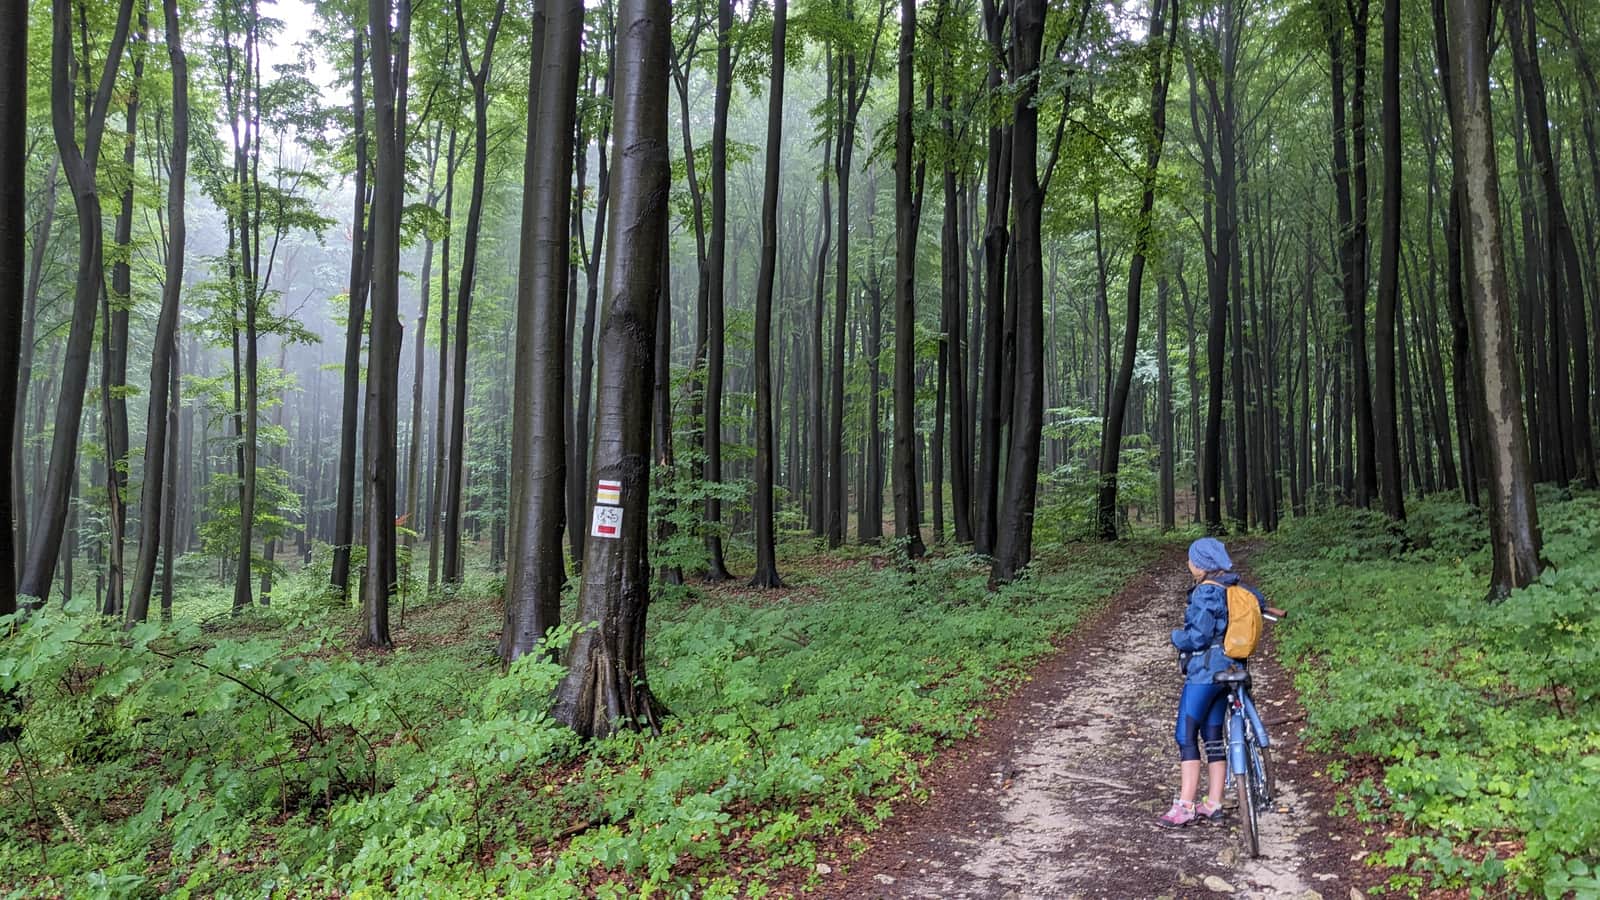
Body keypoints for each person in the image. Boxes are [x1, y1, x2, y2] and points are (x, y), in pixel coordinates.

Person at [1158, 537, 1276, 827]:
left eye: (1191, 560)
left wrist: (1176, 637)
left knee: (1186, 734)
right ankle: (1213, 802)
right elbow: (1262, 606)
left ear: (1200, 565)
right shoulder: (1237, 587)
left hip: (1205, 673)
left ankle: (1185, 805)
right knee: (1213, 735)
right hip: (1232, 670)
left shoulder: (1205, 593)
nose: (1189, 564)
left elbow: (1198, 636)